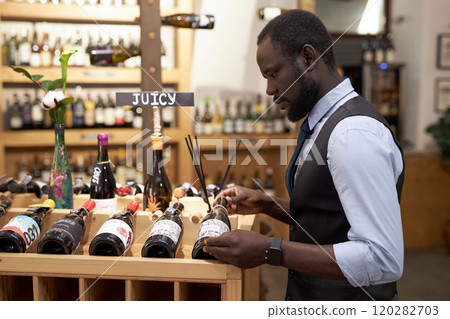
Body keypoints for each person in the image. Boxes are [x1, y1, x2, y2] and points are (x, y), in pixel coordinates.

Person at [203, 10, 404, 301]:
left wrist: (270, 249)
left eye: (273, 74)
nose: (270, 90)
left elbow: (382, 258)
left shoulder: (353, 134)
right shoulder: (323, 123)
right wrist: (266, 204)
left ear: (308, 58)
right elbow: (331, 216)